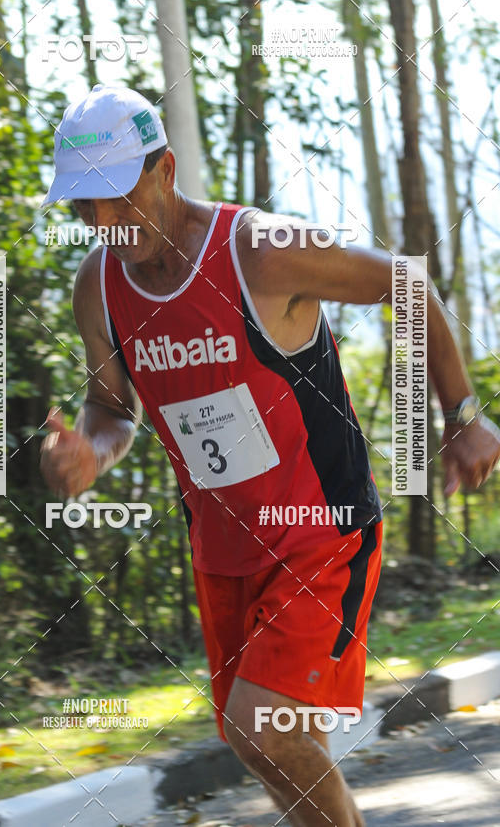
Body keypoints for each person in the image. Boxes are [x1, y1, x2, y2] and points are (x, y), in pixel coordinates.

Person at [40, 84, 500, 826]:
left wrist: (464, 415)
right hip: (222, 548)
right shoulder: (97, 286)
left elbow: (405, 283)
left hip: (322, 528)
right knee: (262, 742)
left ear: (165, 170)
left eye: (115, 198)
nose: (100, 223)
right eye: (80, 207)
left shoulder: (262, 250)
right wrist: (89, 453)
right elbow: (110, 410)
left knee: (263, 726)